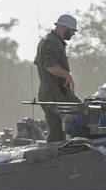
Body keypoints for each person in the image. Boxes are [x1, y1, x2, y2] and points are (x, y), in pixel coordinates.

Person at [34, 13, 81, 141]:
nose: (73, 34)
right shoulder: (53, 42)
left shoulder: (49, 40)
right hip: (54, 94)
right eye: (72, 30)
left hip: (51, 92)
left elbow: (40, 66)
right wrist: (67, 75)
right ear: (64, 27)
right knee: (79, 120)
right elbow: (50, 66)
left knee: (57, 134)